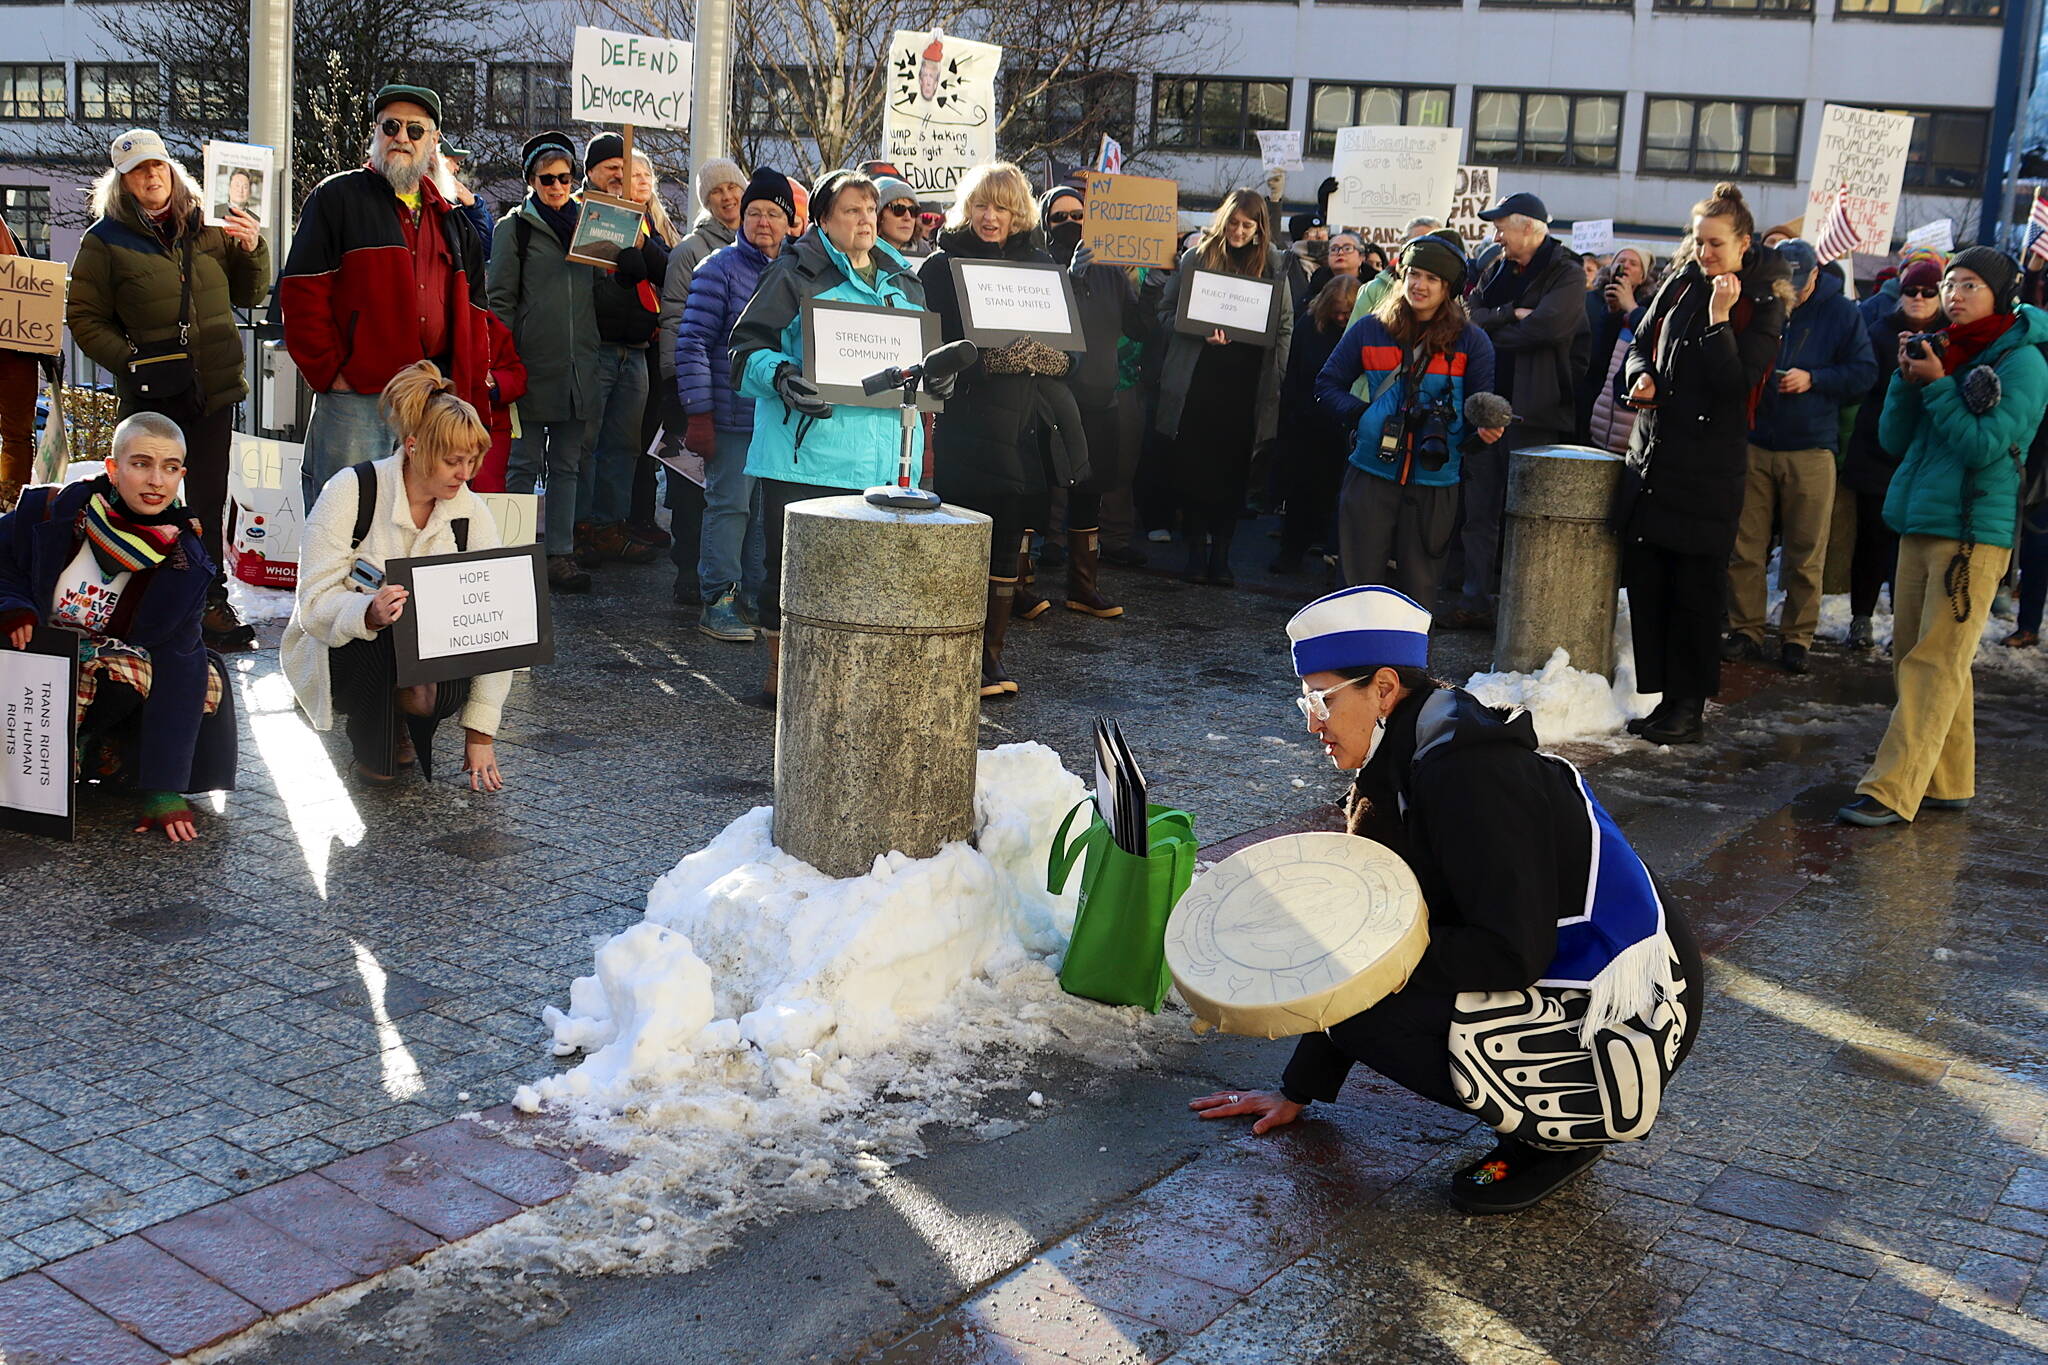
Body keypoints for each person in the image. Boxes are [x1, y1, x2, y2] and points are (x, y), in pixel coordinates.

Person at [1193, 585, 1702, 1214]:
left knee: (1367, 1005)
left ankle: (1562, 1134)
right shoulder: (1407, 751)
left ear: (1383, 688)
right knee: (1358, 987)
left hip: (1633, 1010)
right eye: (1304, 698)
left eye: (1322, 699)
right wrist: (1297, 1090)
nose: (1310, 721)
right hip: (1558, 963)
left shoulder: (1468, 774)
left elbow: (1508, 951)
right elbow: (1369, 928)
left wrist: (1368, 970)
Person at [1838, 248, 2048, 827]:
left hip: (1973, 531)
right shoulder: (1943, 349)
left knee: (1933, 662)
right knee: (1918, 656)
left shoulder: (2023, 362)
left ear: (2001, 295)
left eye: (1971, 285)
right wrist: (1908, 381)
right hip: (1919, 518)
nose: (1955, 294)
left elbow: (1983, 448)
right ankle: (1950, 780)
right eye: (1951, 283)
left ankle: (1890, 790)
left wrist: (1936, 386)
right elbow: (1895, 439)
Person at [730, 170, 935, 705]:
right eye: (851, 210)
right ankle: (783, 679)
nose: (866, 219)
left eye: (870, 209)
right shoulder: (794, 274)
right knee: (791, 577)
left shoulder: (904, 279)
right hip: (805, 456)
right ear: (822, 220)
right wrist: (781, 375)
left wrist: (936, 378)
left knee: (867, 580)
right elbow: (744, 351)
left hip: (881, 461)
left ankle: (851, 680)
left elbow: (917, 361)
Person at [67, 128, 270, 652]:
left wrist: (253, 247)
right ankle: (137, 599)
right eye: (138, 170)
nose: (151, 176)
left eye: (157, 165)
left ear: (173, 171)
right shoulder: (104, 241)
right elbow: (84, 318)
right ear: (123, 182)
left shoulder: (210, 225)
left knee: (206, 496)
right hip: (151, 393)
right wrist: (131, 362)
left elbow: (251, 292)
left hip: (213, 387)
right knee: (144, 497)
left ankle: (207, 601)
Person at [0, 413, 238, 841]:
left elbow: (178, 661)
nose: (156, 481)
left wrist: (165, 788)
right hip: (29, 655)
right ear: (112, 468)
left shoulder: (184, 561)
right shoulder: (50, 511)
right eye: (141, 463)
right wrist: (13, 607)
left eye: (169, 468)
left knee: (197, 675)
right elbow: (3, 564)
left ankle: (93, 749)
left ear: (181, 475)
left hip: (99, 672)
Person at [275, 85, 511, 511]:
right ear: (376, 132)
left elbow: (476, 317)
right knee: (344, 514)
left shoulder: (452, 219)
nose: (402, 136)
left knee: (417, 516)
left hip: (434, 398)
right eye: (391, 125)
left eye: (416, 129)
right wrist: (332, 374)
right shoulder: (337, 197)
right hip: (359, 397)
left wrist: (468, 394)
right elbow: (302, 293)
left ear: (433, 141)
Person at [282, 363, 514, 789]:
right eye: (452, 461)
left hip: (425, 656)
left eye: (472, 460)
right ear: (412, 447)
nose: (465, 474)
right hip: (342, 647)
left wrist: (481, 731)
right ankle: (375, 731)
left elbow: (494, 629)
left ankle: (405, 711)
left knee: (436, 687)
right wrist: (366, 612)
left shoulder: (470, 512)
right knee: (385, 643)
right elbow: (311, 604)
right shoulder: (351, 489)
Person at [1614, 183, 1790, 747]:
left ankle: (1688, 706)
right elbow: (1640, 340)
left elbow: (1735, 386)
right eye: (1697, 240)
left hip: (1707, 471)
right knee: (1651, 584)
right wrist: (1637, 376)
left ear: (1743, 244)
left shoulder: (1762, 303)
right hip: (1654, 459)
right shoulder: (1680, 280)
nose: (1704, 252)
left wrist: (1718, 321)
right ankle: (1666, 698)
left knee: (1694, 593)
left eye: (1715, 243)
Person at [919, 163, 1088, 695]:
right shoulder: (941, 268)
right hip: (965, 426)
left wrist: (1053, 360)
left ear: (1020, 213)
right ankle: (950, 652)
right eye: (980, 205)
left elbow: (1075, 355)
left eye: (1002, 207)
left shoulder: (1043, 266)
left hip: (1026, 430)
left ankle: (991, 659)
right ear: (966, 208)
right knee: (960, 543)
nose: (990, 216)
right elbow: (930, 354)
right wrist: (991, 361)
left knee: (1009, 542)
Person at [1315, 234, 1500, 611]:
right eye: (1414, 274)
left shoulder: (1473, 341)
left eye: (1432, 278)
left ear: (1448, 288)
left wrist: (1485, 432)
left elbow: (1478, 412)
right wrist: (1362, 415)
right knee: (1355, 588)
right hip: (1370, 471)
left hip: (1436, 480)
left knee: (1419, 594)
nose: (1420, 285)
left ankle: (1407, 670)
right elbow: (1326, 384)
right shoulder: (1370, 329)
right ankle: (1355, 668)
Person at [1723, 239, 1877, 675]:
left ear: (1815, 276)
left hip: (1810, 445)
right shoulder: (1759, 301)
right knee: (1745, 546)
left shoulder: (1843, 313)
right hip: (1755, 440)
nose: (1787, 290)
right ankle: (1746, 629)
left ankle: (1797, 636)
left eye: (1796, 282)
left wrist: (1817, 379)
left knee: (1805, 551)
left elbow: (1864, 373)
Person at [1457, 193, 1590, 627]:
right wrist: (1509, 313)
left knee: (1524, 519)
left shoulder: (1566, 272)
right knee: (1480, 511)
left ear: (1529, 228)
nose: (1496, 236)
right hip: (1486, 408)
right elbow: (1469, 315)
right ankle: (1475, 599)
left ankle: (1519, 610)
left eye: (1502, 227)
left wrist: (1489, 336)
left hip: (1535, 414)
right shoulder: (1496, 266)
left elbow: (1547, 328)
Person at [1153, 188, 1295, 588]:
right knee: (1195, 471)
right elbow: (1165, 313)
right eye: (1233, 222)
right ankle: (1196, 554)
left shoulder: (1273, 264)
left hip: (1246, 387)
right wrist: (1195, 334)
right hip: (1199, 384)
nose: (1238, 231)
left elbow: (1284, 325)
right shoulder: (1196, 257)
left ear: (1259, 228)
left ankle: (1222, 557)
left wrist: (1278, 377)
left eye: (1247, 225)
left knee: (1233, 475)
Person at [677, 169, 794, 642]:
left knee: (766, 512)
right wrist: (699, 413)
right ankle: (718, 598)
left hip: (780, 417)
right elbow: (693, 344)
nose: (763, 222)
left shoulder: (796, 270)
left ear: (789, 221)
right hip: (730, 415)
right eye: (754, 213)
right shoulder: (718, 269)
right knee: (729, 507)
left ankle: (751, 596)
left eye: (773, 213)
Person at [488, 133, 601, 593]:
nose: (558, 186)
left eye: (565, 178)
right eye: (547, 178)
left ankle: (559, 555)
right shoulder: (512, 229)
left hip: (580, 365)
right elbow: (499, 301)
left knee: (569, 465)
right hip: (531, 364)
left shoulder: (590, 224)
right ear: (531, 181)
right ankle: (513, 553)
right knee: (524, 461)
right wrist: (502, 360)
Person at [1035, 184, 1150, 621]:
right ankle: (1023, 582)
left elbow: (1138, 329)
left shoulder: (1111, 272)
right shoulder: (1040, 266)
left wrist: (1153, 286)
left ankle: (1084, 585)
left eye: (1077, 215)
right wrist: (1067, 277)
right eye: (1059, 217)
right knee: (1041, 489)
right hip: (1050, 398)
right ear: (1045, 224)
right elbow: (1044, 320)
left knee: (1091, 491)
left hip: (1100, 397)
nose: (1070, 224)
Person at [1841, 258, 1945, 652]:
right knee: (1871, 540)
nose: (1919, 298)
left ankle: (1907, 624)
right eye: (1911, 291)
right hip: (1878, 450)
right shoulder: (1879, 331)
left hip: (1925, 454)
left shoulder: (1951, 335)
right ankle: (1861, 618)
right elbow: (1860, 385)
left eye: (1928, 291)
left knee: (1914, 547)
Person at [654, 156, 746, 599]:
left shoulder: (761, 242)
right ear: (706, 201)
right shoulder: (690, 250)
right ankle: (688, 571)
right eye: (716, 192)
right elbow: (674, 317)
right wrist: (675, 382)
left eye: (732, 188)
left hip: (738, 390)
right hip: (695, 383)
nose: (727, 197)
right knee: (690, 485)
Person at [571, 133, 663, 572]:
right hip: (595, 349)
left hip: (635, 350)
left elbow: (664, 266)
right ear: (591, 172)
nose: (618, 175)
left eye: (624, 167)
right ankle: (579, 528)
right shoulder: (577, 213)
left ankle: (610, 525)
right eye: (610, 167)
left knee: (623, 446)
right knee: (584, 444)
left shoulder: (638, 219)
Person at [1271, 275, 1361, 576]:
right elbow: (1294, 375)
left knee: (1333, 491)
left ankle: (1324, 547)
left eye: (1346, 312)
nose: (1341, 317)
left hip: (1341, 421)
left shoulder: (1357, 331)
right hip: (1309, 421)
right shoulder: (1308, 328)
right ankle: (1292, 550)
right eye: (1337, 310)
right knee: (1302, 491)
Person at [626, 151, 682, 553]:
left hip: (658, 339)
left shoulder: (660, 225)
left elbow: (669, 271)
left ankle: (645, 516)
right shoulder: (616, 219)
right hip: (633, 340)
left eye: (647, 173)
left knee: (653, 437)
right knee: (634, 438)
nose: (643, 179)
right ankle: (634, 518)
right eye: (633, 173)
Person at [1578, 248, 1649, 438]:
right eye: (1621, 260)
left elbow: (1648, 341)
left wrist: (1630, 306)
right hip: (1595, 402)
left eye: (1633, 263)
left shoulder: (1649, 308)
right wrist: (1612, 312)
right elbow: (1600, 356)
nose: (1625, 265)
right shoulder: (1591, 300)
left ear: (1642, 277)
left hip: (1626, 413)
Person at [0, 217, 41, 512]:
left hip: (15, 348)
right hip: (16, 349)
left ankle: (11, 504)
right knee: (17, 434)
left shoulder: (9, 236)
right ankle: (11, 503)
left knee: (17, 434)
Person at [438, 144, 495, 257]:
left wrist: (474, 205)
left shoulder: (457, 205)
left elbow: (486, 248)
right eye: (452, 161)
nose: (457, 168)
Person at [873, 174, 923, 257]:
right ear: (878, 215)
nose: (907, 217)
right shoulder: (860, 258)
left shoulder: (926, 257)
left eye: (913, 210)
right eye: (899, 209)